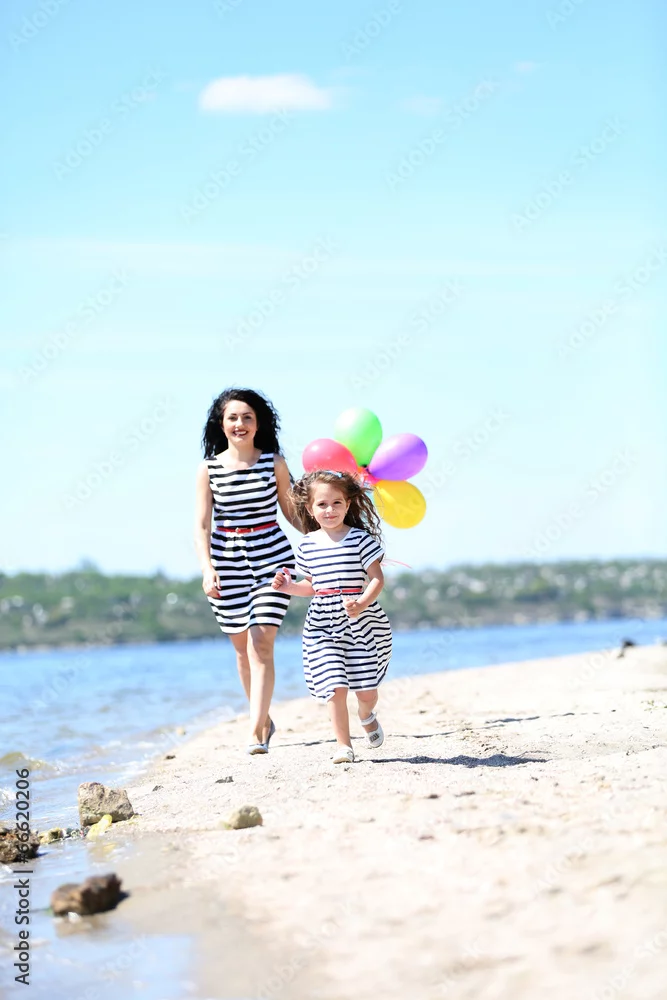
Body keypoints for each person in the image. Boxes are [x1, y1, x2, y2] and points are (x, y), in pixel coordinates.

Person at [195, 388, 300, 754]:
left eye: (247, 417)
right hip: (227, 562)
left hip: (272, 557)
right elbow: (201, 525)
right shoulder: (208, 469)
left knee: (261, 643)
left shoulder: (274, 463)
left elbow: (292, 513)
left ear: (258, 424)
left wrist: (331, 535)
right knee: (242, 650)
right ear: (221, 424)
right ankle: (265, 719)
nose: (240, 424)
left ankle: (255, 731)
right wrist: (207, 568)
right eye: (233, 418)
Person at [271, 470, 392, 763]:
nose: (330, 510)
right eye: (322, 504)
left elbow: (377, 579)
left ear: (348, 505)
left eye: (337, 503)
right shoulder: (307, 545)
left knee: (366, 691)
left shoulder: (360, 539)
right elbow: (311, 586)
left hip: (360, 622)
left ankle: (366, 715)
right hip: (322, 625)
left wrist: (361, 603)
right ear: (310, 509)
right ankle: (343, 746)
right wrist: (289, 587)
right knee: (334, 686)